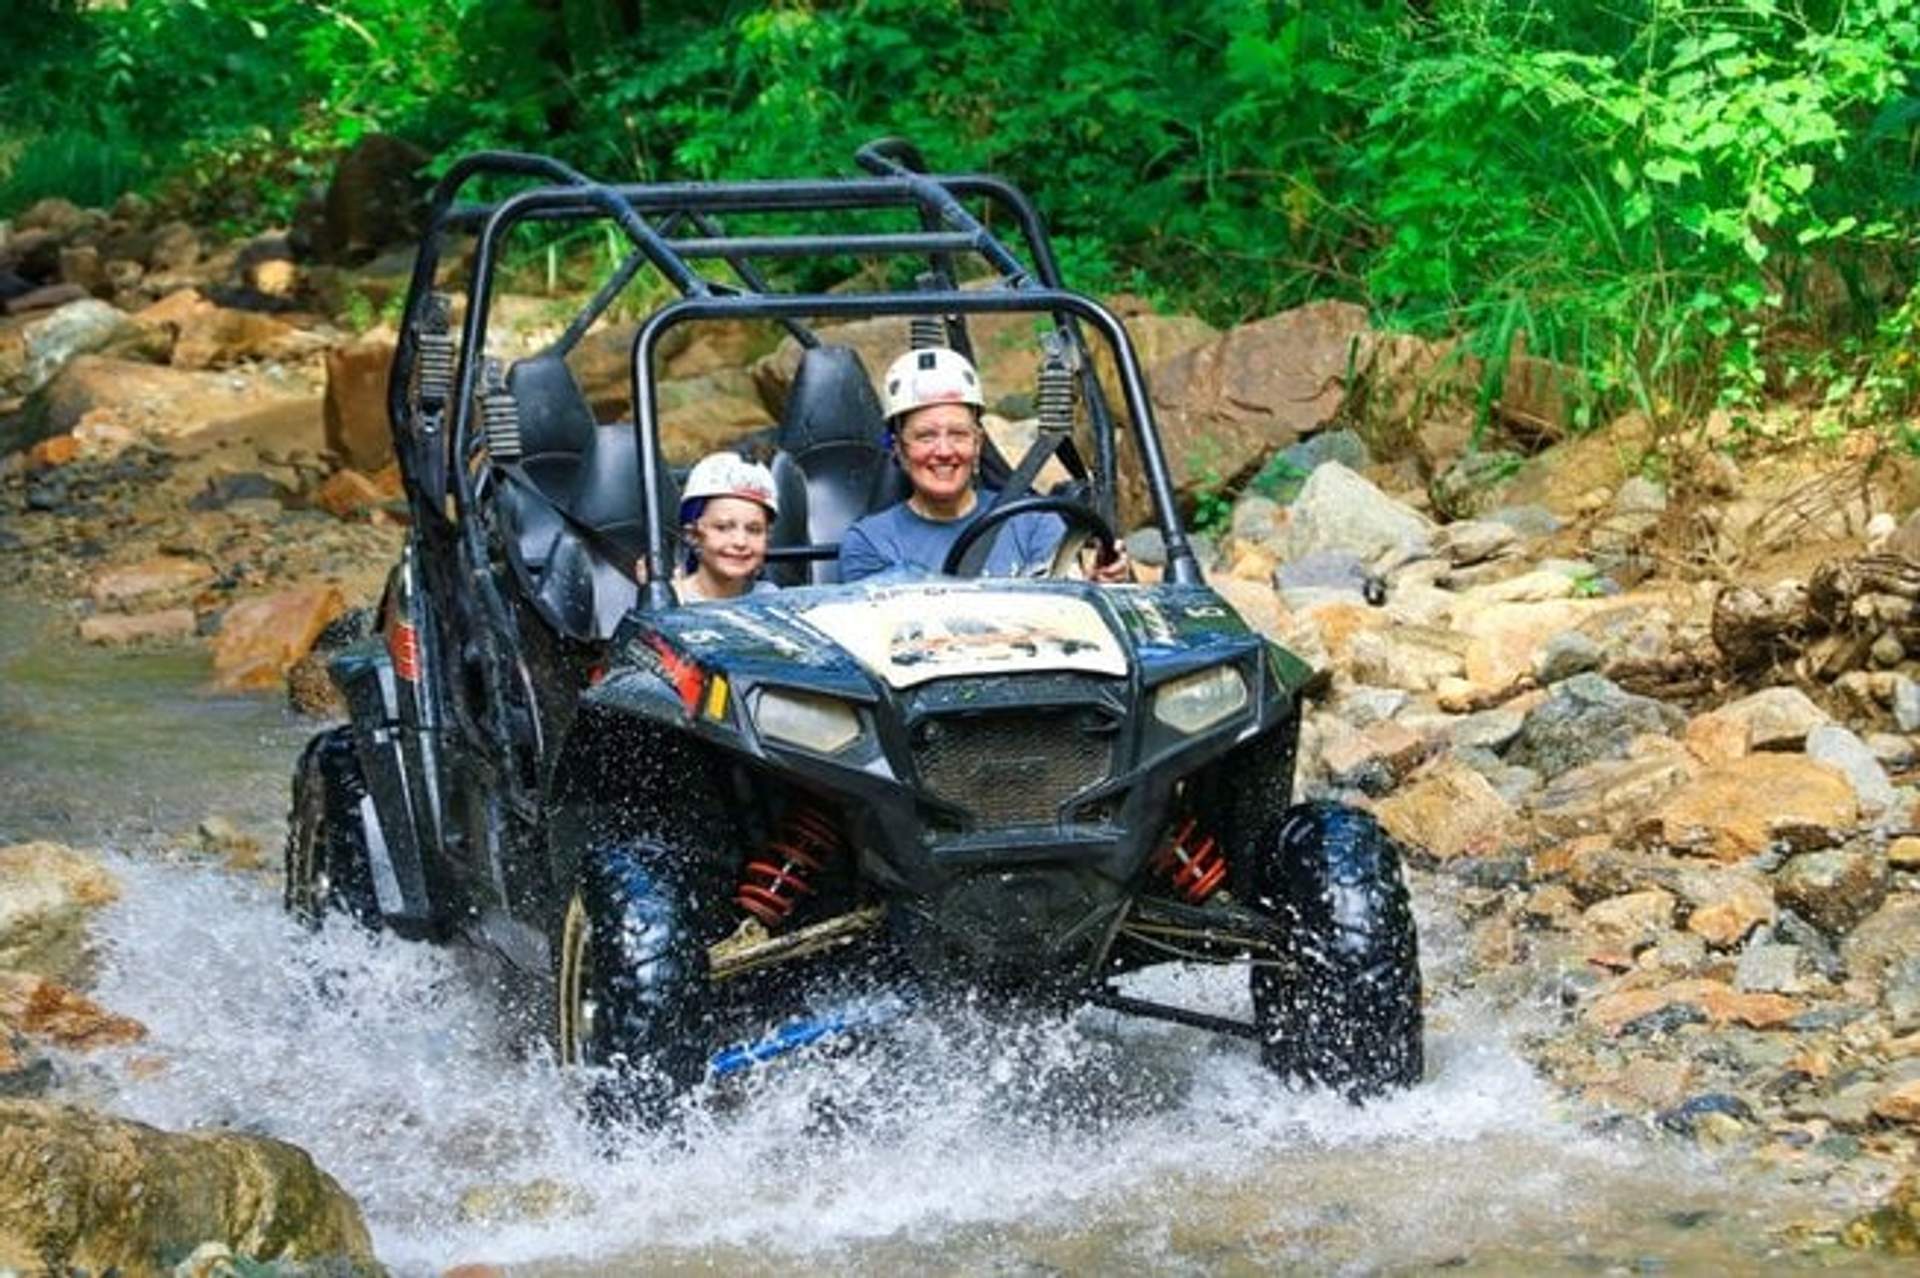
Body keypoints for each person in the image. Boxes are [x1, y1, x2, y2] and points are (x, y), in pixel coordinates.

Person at [838, 347, 1132, 584]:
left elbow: (1066, 613)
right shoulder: (869, 543)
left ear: (978, 443)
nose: (944, 450)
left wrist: (1096, 586)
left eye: (958, 434)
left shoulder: (1033, 522)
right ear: (899, 449)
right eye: (925, 436)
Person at [674, 452, 781, 602]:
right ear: (692, 534)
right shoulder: (670, 601)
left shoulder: (772, 600)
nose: (740, 542)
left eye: (754, 530)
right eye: (723, 528)